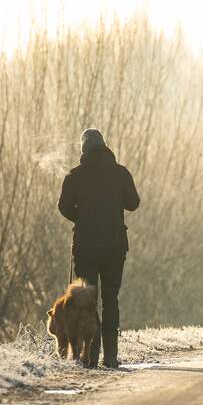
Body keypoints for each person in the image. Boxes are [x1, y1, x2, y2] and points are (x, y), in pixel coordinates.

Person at [58, 128, 140, 368]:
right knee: (111, 299)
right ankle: (111, 356)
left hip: (85, 248)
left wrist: (81, 218)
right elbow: (133, 203)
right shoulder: (120, 173)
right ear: (105, 146)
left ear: (83, 150)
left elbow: (63, 206)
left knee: (86, 301)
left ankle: (90, 357)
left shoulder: (75, 175)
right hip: (115, 247)